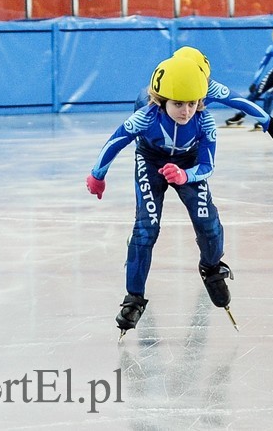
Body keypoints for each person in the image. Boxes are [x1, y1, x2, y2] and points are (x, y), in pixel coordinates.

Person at [86, 55, 236, 338]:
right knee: (146, 228)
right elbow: (116, 141)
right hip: (151, 160)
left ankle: (211, 266)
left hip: (188, 165)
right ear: (161, 100)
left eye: (192, 103)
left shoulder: (205, 123)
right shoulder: (146, 115)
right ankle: (134, 298)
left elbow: (207, 166)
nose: (186, 111)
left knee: (207, 222)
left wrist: (184, 176)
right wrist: (97, 175)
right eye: (178, 104)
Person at [134, 46, 273, 141]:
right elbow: (240, 102)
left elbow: (240, 102)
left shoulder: (209, 86)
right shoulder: (152, 97)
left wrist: (269, 122)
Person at [224, 24, 273, 130]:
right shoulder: (272, 49)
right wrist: (255, 82)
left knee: (269, 95)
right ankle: (239, 116)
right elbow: (262, 65)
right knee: (255, 93)